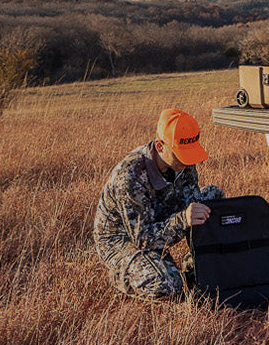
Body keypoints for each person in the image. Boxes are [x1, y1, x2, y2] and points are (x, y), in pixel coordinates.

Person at [93, 108, 225, 302]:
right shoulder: (130, 175)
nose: (186, 160)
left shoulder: (184, 161)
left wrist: (194, 217)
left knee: (213, 197)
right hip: (124, 238)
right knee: (169, 285)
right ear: (159, 145)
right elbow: (143, 239)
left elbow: (191, 197)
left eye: (189, 153)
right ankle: (124, 273)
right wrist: (182, 221)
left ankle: (197, 267)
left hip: (160, 214)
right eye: (180, 153)